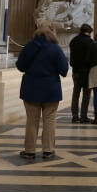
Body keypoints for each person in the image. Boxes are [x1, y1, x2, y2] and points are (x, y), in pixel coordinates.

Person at [16, 25, 69, 159]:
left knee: (32, 120)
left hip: (31, 88)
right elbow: (64, 70)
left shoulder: (29, 47)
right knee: (49, 120)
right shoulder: (56, 49)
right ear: (52, 34)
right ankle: (48, 150)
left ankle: (29, 150)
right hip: (50, 89)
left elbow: (20, 66)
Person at [69, 23, 93, 124]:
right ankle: (84, 117)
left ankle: (75, 116)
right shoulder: (90, 42)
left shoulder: (74, 41)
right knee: (86, 95)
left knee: (76, 94)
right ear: (89, 32)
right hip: (87, 72)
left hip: (76, 71)